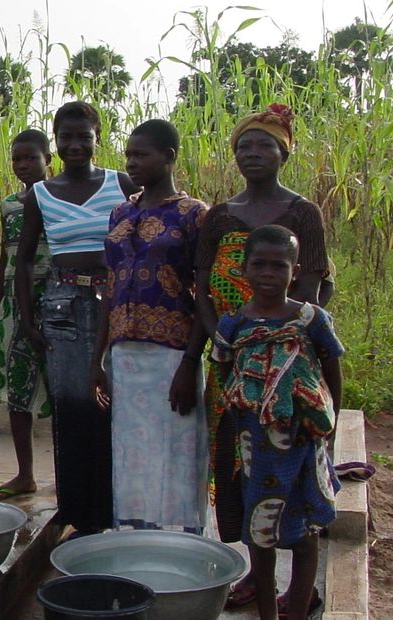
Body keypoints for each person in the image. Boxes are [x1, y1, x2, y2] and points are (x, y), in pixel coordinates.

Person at [193, 103, 331, 608]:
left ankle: (299, 591)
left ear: (283, 154)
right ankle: (258, 577)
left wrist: (278, 346)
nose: (253, 154)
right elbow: (202, 286)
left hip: (291, 368)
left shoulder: (302, 214)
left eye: (264, 145)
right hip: (231, 364)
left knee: (292, 467)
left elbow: (313, 289)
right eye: (244, 146)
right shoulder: (219, 216)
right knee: (241, 470)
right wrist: (222, 341)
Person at [15, 101, 139, 536]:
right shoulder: (40, 195)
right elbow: (26, 261)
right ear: (56, 140)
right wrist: (27, 320)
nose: (74, 145)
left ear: (96, 137)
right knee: (71, 410)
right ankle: (77, 513)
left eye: (82, 136)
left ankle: (113, 511)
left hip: (116, 302)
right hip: (62, 305)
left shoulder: (120, 183)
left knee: (113, 409)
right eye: (65, 137)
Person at [211, 225, 340, 620]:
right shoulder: (233, 324)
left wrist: (328, 429)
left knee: (304, 532)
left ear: (295, 271)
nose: (268, 273)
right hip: (253, 447)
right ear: (244, 269)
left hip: (302, 441)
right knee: (259, 532)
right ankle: (267, 612)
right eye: (259, 264)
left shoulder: (311, 319)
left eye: (278, 265)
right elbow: (223, 376)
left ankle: (297, 610)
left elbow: (331, 371)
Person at [92, 119, 209, 532]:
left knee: (177, 450)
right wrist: (99, 360)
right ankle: (138, 541)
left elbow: (204, 294)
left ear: (170, 157)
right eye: (128, 155)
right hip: (125, 356)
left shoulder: (194, 214)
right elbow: (110, 287)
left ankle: (181, 543)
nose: (132, 163)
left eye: (142, 154)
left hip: (172, 355)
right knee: (132, 454)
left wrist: (190, 364)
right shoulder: (120, 212)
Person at [0, 129, 54, 501]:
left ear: (48, 160)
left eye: (31, 158)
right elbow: (5, 260)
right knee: (16, 389)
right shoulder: (10, 204)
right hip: (14, 302)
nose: (23, 165)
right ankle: (25, 473)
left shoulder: (60, 199)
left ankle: (68, 474)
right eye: (17, 159)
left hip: (55, 298)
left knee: (62, 389)